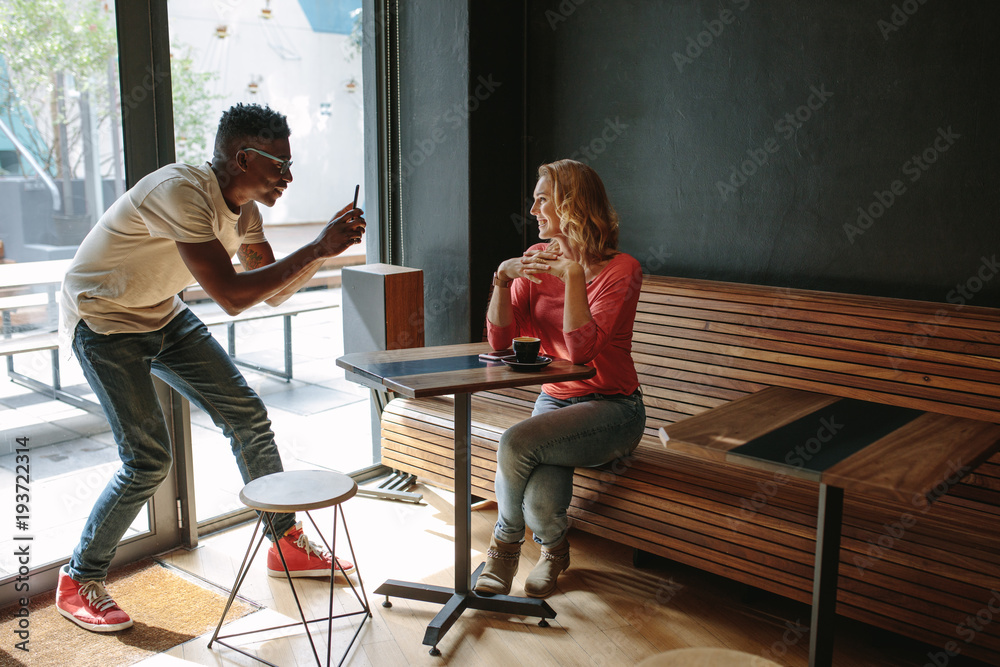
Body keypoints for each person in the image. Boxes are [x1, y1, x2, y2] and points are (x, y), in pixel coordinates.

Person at [55, 103, 366, 632]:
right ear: (242, 157)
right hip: (104, 319)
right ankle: (78, 578)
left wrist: (323, 253)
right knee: (148, 460)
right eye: (280, 165)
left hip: (161, 311)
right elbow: (230, 297)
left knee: (247, 415)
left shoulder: (246, 212)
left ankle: (285, 545)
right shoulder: (181, 192)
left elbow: (269, 292)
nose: (288, 177)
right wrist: (317, 245)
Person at [474, 159, 646, 599]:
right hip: (556, 401)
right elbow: (498, 342)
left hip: (613, 408)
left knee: (515, 442)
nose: (532, 209)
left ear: (571, 205)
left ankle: (503, 549)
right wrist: (499, 280)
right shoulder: (535, 259)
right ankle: (555, 551)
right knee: (538, 497)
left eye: (542, 198)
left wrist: (572, 274)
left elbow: (583, 349)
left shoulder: (621, 269)